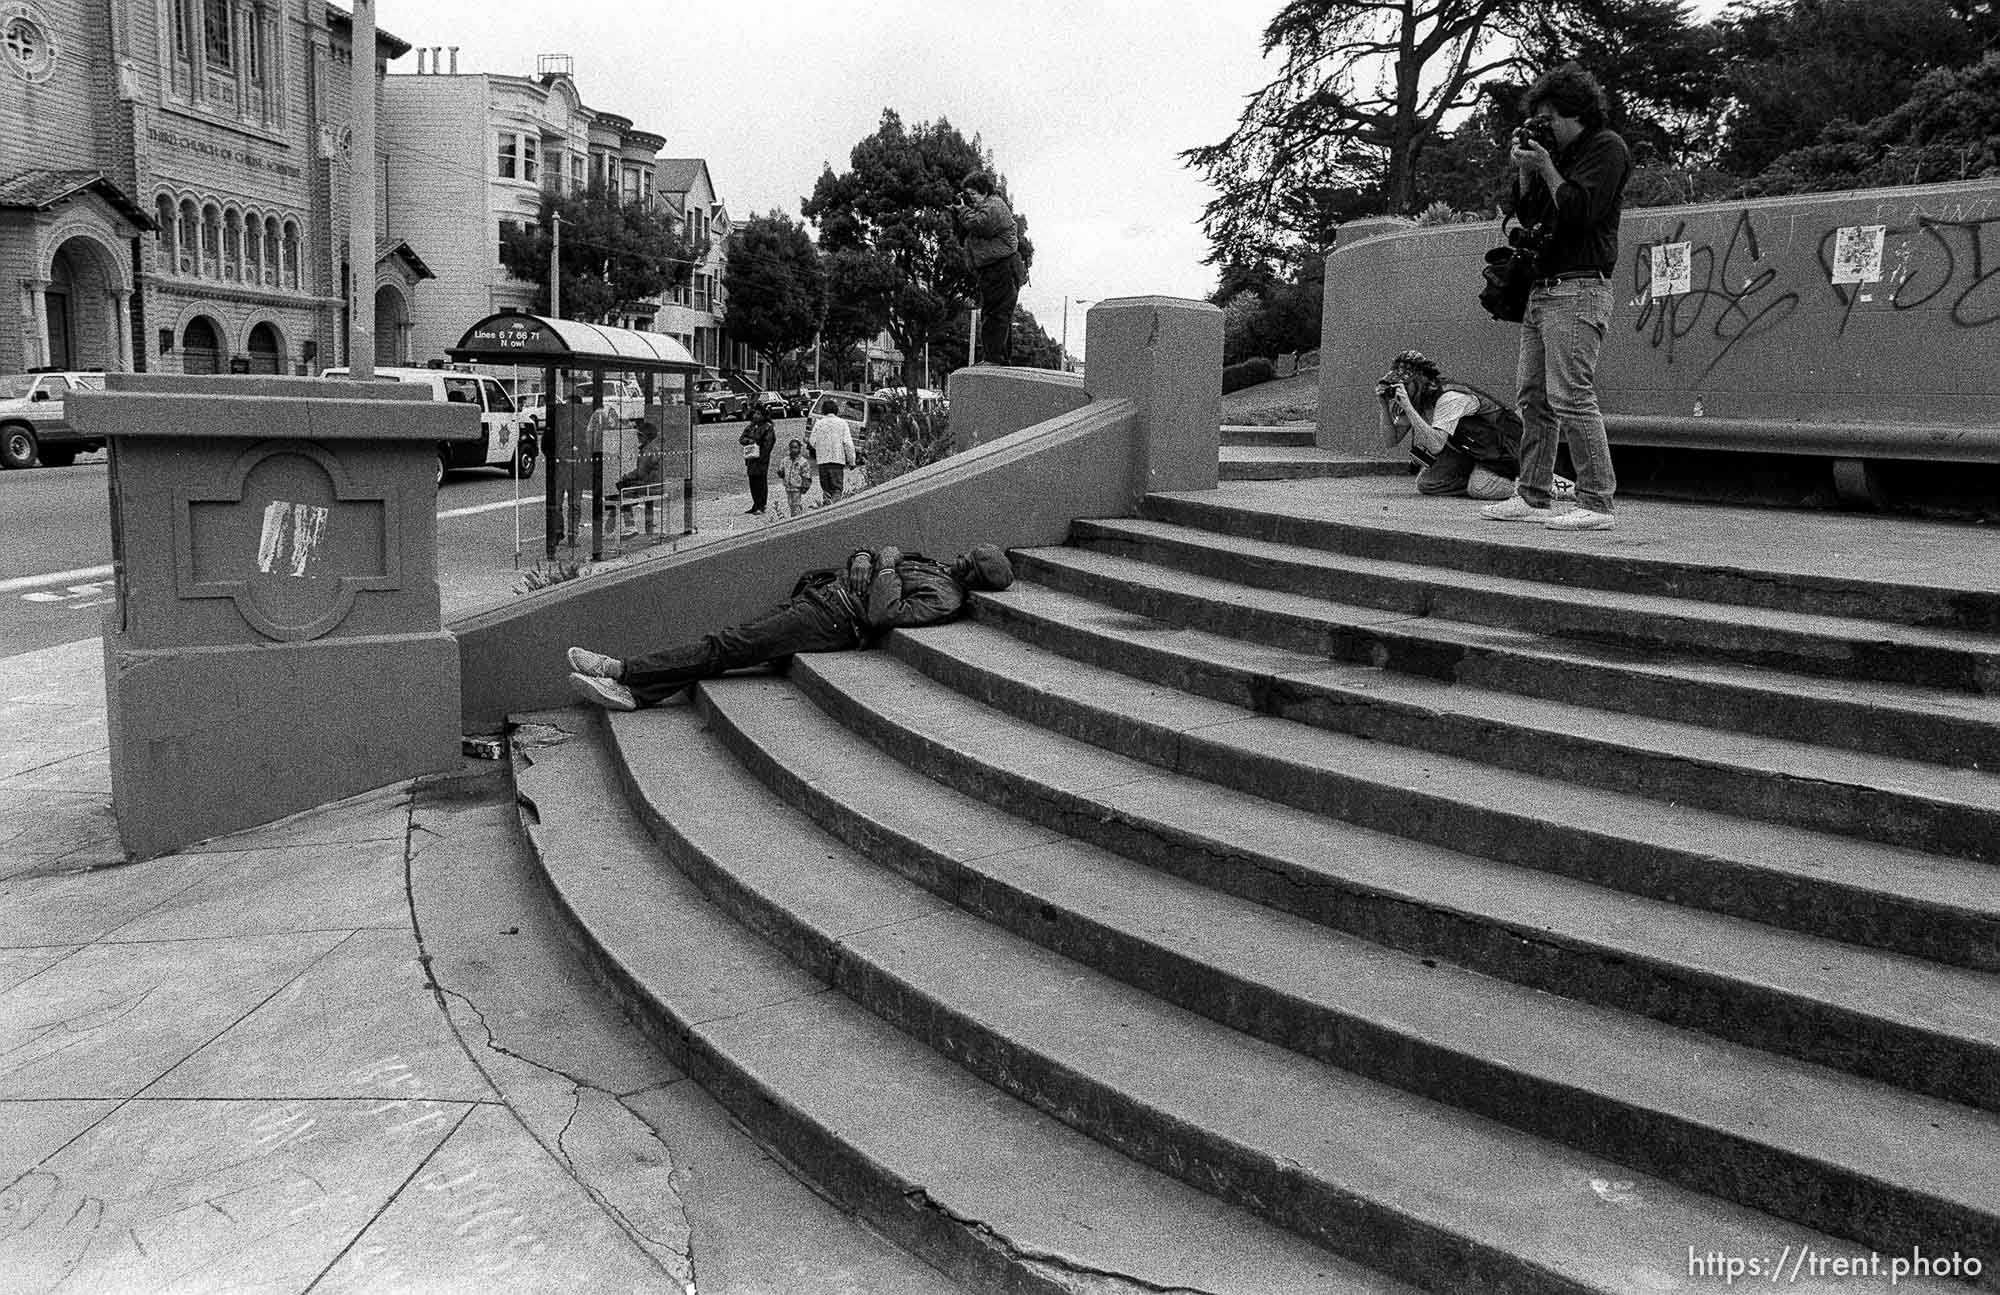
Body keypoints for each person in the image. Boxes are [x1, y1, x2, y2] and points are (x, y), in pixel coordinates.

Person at [566, 543, 1018, 710]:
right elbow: (871, 554)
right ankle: (638, 692)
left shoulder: (944, 598)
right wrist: (864, 556)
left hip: (832, 620)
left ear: (977, 578)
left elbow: (883, 613)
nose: (963, 558)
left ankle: (621, 671)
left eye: (973, 562)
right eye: (970, 553)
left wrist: (885, 563)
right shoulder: (937, 568)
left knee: (728, 644)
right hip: (819, 597)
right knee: (731, 647)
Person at [1480, 61, 1631, 533]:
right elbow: (1531, 214)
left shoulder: (1607, 149)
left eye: (1551, 119)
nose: (1546, 129)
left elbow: (1581, 211)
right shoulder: (1556, 157)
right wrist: (1527, 172)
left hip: (1580, 288)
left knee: (1571, 396)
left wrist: (1545, 166)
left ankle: (1597, 502)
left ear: (1576, 114)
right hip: (1543, 290)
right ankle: (1533, 493)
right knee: (1533, 398)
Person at [953, 171, 1019, 366]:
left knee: (994, 313)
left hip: (999, 268)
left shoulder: (994, 206)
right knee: (999, 313)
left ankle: (993, 359)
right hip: (1000, 268)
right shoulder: (991, 205)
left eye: (972, 194)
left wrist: (962, 210)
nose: (971, 199)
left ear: (983, 190)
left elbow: (979, 224)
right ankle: (1000, 358)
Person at [615, 418, 665, 537]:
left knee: (622, 495)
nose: (637, 437)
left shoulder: (647, 450)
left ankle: (630, 527)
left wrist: (626, 476)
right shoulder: (655, 447)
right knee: (647, 502)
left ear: (645, 437)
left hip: (649, 486)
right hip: (657, 484)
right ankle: (649, 529)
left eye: (639, 435)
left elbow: (641, 473)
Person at [808, 402, 858, 504]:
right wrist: (852, 461)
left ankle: (827, 504)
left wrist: (821, 448)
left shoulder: (818, 423)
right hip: (837, 460)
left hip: (823, 461)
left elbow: (812, 441)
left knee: (826, 489)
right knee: (837, 489)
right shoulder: (842, 423)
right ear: (836, 410)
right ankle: (835, 509)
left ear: (823, 411)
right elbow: (848, 444)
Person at [739, 404, 777, 514]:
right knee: (752, 481)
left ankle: (761, 504)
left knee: (761, 481)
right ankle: (755, 504)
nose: (756, 416)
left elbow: (768, 444)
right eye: (755, 413)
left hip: (761, 459)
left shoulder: (767, 427)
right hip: (751, 458)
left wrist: (761, 456)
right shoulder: (751, 426)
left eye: (759, 414)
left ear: (763, 415)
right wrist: (749, 441)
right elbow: (742, 439)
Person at [779, 436, 815, 516]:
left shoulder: (803, 461)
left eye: (795, 448)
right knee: (790, 503)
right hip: (788, 486)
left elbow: (806, 475)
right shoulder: (785, 460)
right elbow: (782, 470)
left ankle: (796, 516)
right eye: (791, 448)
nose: (793, 450)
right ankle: (795, 514)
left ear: (799, 448)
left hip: (797, 487)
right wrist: (781, 473)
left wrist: (805, 486)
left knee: (796, 503)